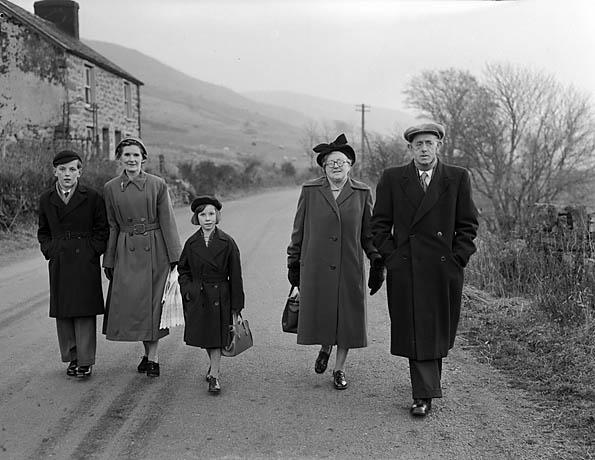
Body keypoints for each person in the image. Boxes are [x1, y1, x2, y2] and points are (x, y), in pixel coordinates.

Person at [371, 122, 479, 417]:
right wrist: (393, 258)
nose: (423, 149)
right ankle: (423, 394)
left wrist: (458, 258)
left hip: (443, 268)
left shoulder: (457, 178)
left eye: (429, 143)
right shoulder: (393, 178)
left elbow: (467, 225)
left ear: (438, 146)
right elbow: (378, 225)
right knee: (418, 331)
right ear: (410, 148)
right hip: (407, 268)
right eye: (418, 144)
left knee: (435, 330)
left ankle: (427, 387)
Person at [287, 133, 384, 390]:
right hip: (317, 267)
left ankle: (339, 368)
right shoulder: (310, 191)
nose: (337, 166)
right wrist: (293, 262)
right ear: (323, 167)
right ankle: (325, 346)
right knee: (325, 313)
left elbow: (369, 234)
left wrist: (376, 259)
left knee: (348, 319)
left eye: (342, 161)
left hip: (348, 266)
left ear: (350, 165)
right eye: (331, 162)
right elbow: (298, 230)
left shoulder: (362, 193)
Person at [102, 137, 181, 377]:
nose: (132, 159)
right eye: (127, 155)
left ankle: (153, 358)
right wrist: (109, 258)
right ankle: (147, 354)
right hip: (126, 250)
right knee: (134, 306)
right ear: (120, 158)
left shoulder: (157, 184)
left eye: (136, 155)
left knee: (153, 306)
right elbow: (112, 225)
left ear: (143, 158)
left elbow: (168, 221)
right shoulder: (111, 188)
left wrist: (175, 257)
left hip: (155, 249)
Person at [37, 149, 109, 378]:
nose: (67, 174)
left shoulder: (93, 197)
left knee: (84, 309)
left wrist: (91, 252)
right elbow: (43, 231)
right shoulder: (46, 199)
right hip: (60, 259)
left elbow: (102, 230)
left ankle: (86, 360)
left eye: (72, 169)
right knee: (64, 309)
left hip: (84, 259)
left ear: (80, 172)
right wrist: (51, 250)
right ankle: (72, 357)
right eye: (62, 170)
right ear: (55, 172)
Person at [177, 196, 245, 394]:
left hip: (220, 296)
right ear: (196, 218)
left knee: (217, 338)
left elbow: (236, 274)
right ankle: (213, 366)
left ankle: (214, 376)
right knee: (206, 337)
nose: (207, 218)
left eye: (211, 214)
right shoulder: (191, 243)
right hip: (199, 296)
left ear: (217, 216)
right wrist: (188, 289)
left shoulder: (227, 242)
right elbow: (183, 270)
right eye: (203, 214)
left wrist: (237, 304)